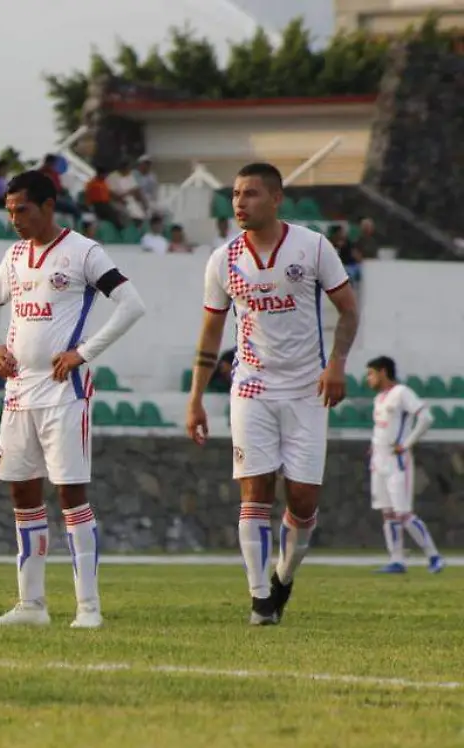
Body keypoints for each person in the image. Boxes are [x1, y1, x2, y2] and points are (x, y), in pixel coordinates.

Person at [186, 162, 360, 626]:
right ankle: (260, 598)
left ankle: (283, 575)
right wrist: (196, 397)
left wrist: (337, 364)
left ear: (277, 198)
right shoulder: (222, 260)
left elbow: (348, 310)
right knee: (254, 489)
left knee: (302, 500)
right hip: (252, 387)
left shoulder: (312, 246)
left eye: (252, 194)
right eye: (237, 194)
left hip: (307, 389)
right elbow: (209, 335)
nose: (240, 203)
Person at [0, 170, 147, 629]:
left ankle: (88, 607)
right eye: (10, 210)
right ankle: (31, 605)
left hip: (63, 392)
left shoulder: (83, 252)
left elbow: (131, 304)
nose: (14, 219)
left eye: (23, 209)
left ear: (49, 206)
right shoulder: (13, 256)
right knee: (22, 493)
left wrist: (83, 353)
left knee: (71, 493)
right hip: (18, 393)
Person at [364, 356, 443, 575]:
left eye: (370, 373)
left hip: (397, 462)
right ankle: (397, 559)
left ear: (382, 371)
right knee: (388, 513)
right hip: (379, 462)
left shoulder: (402, 393)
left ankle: (434, 556)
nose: (368, 379)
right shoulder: (379, 399)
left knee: (404, 513)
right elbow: (382, 429)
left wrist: (406, 444)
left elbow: (426, 418)